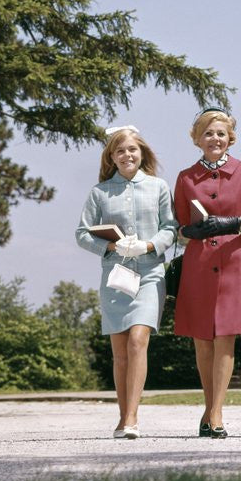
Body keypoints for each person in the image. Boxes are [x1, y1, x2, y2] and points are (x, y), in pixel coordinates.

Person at [173, 108, 241, 439]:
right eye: (208, 133)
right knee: (202, 341)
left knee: (226, 337)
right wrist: (192, 230)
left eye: (220, 133)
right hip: (199, 264)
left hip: (234, 262)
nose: (214, 139)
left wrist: (234, 222)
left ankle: (215, 414)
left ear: (231, 138)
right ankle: (209, 409)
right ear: (197, 138)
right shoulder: (185, 178)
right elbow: (180, 226)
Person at [76, 125, 177, 439]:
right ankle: (123, 418)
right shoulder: (100, 192)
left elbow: (171, 228)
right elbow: (82, 234)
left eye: (132, 149)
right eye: (120, 151)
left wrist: (148, 246)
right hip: (116, 277)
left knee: (138, 341)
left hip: (149, 274)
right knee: (120, 353)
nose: (127, 155)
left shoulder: (159, 187)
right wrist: (109, 246)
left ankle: (132, 418)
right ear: (112, 157)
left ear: (142, 152)